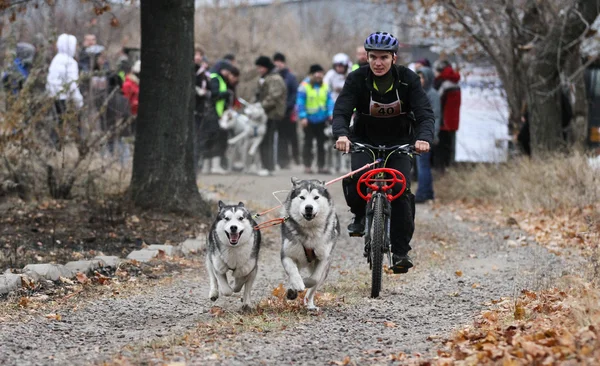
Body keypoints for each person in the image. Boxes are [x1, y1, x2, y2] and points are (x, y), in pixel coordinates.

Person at [333, 32, 434, 273]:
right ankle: (358, 215)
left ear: (394, 58)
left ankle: (400, 251)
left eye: (384, 58)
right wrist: (342, 135)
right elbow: (342, 111)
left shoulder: (408, 79)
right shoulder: (356, 79)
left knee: (399, 190)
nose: (378, 63)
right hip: (364, 139)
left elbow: (425, 113)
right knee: (358, 177)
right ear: (367, 57)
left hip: (399, 142)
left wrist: (423, 138)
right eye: (373, 57)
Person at [199, 62, 239, 174]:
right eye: (227, 71)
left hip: (214, 113)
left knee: (209, 139)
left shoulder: (215, 77)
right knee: (215, 139)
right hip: (213, 113)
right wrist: (226, 93)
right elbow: (215, 95)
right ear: (223, 70)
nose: (228, 74)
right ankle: (213, 167)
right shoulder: (216, 78)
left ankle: (207, 167)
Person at [297, 64, 334, 174]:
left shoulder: (325, 86)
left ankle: (321, 166)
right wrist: (303, 117)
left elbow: (329, 101)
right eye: (316, 73)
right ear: (311, 75)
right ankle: (307, 165)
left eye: (321, 73)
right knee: (308, 143)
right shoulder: (304, 86)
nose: (319, 76)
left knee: (321, 144)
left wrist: (331, 113)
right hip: (308, 120)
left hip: (322, 120)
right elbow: (300, 103)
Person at [255, 55, 287, 176]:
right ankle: (265, 166)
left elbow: (274, 96)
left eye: (260, 67)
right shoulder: (266, 78)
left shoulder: (275, 79)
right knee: (264, 140)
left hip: (272, 114)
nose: (259, 70)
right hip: (265, 113)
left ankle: (269, 167)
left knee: (268, 140)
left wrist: (260, 106)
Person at [415, 67, 441, 203]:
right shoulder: (419, 93)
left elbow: (435, 116)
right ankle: (428, 192)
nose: (420, 80)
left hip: (426, 136)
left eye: (422, 77)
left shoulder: (433, 94)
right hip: (418, 135)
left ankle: (422, 194)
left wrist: (432, 135)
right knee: (423, 164)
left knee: (423, 165)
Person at [433, 59, 461, 171]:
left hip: (443, 121)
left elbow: (436, 101)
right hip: (453, 120)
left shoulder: (442, 84)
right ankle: (450, 166)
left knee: (441, 147)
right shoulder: (455, 82)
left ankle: (441, 168)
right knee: (451, 146)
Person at [273, 52, 300, 169]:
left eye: (279, 62)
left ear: (283, 63)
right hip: (277, 112)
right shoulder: (273, 76)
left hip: (289, 112)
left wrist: (288, 106)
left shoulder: (290, 77)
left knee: (291, 137)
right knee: (280, 138)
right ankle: (281, 161)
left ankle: (295, 159)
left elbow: (294, 93)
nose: (277, 64)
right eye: (275, 62)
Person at [194, 45, 211, 171]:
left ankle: (195, 166)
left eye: (200, 54)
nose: (198, 57)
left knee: (198, 139)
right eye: (196, 54)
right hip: (191, 110)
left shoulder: (204, 73)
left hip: (200, 110)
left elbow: (209, 89)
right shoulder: (191, 71)